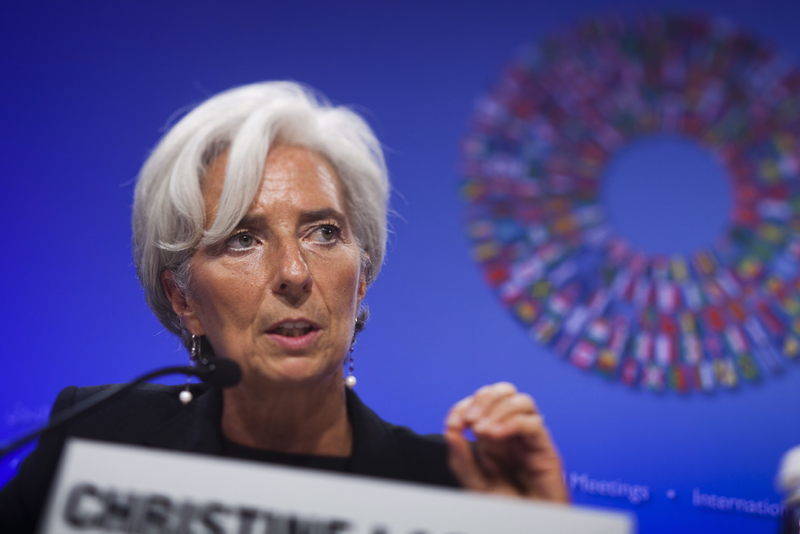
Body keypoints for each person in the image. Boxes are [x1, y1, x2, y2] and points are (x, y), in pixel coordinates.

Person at [0, 81, 568, 531]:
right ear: (183, 300)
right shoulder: (100, 441)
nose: (294, 274)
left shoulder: (452, 489)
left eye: (324, 233)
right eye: (242, 239)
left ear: (361, 276)